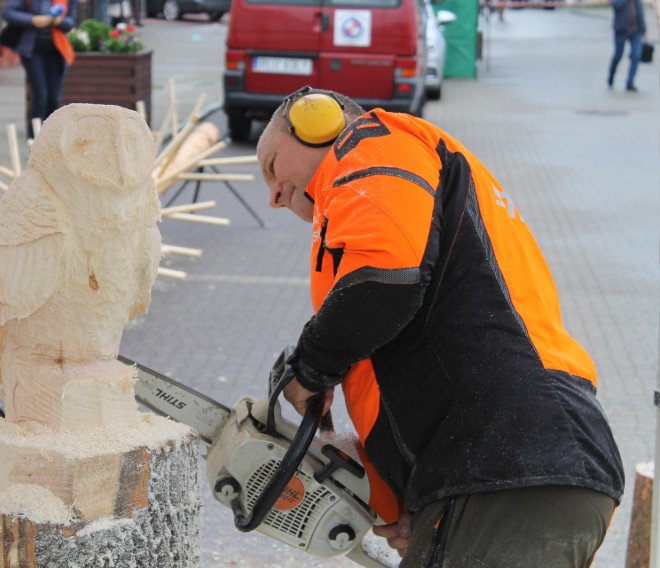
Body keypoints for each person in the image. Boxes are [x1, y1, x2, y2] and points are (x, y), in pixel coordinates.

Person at [256, 87, 625, 566]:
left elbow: (387, 281)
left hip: (506, 466)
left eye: (271, 167)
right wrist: (420, 500)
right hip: (514, 469)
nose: (274, 196)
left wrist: (310, 370)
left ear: (317, 120)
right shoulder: (405, 192)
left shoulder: (373, 143)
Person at [2, 0, 77, 139]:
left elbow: (71, 22)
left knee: (54, 98)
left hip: (56, 51)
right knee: (40, 96)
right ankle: (34, 138)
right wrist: (32, 20)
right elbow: (8, 12)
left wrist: (58, 22)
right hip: (32, 50)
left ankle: (50, 139)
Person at [608, 0, 645, 91]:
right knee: (618, 55)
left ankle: (630, 82)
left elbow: (640, 13)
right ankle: (611, 74)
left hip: (636, 31)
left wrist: (644, 30)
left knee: (636, 55)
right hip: (621, 31)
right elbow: (616, 5)